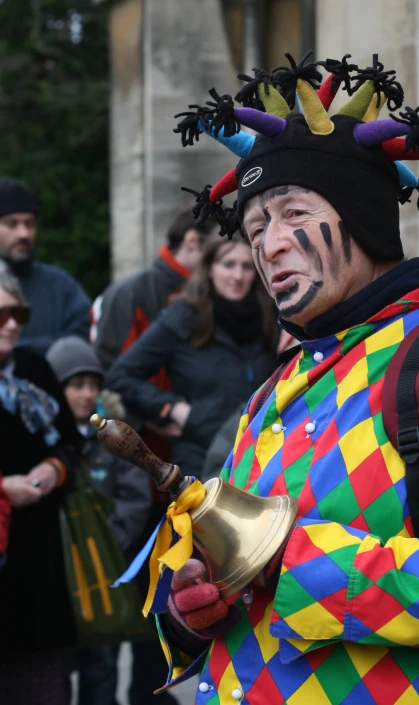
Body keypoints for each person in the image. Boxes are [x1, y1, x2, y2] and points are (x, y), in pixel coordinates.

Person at [144, 52, 419, 704]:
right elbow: (236, 583)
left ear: (363, 217)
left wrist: (295, 559)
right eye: (256, 226)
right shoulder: (273, 391)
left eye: (291, 213)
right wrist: (193, 608)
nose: (268, 244)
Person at [92, 209, 213, 704]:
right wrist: (160, 410)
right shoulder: (134, 292)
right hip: (136, 477)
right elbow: (108, 380)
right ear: (191, 242)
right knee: (140, 601)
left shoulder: (212, 299)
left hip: (187, 471)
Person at [105, 234, 279, 481]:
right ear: (209, 268)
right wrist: (171, 409)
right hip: (202, 457)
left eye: (247, 266)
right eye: (228, 264)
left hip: (262, 455)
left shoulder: (271, 314)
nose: (238, 276)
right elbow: (121, 375)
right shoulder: (184, 315)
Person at [46, 335, 152, 705]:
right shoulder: (45, 438)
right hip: (59, 578)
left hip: (105, 572)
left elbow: (137, 496)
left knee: (102, 666)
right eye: (76, 385)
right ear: (57, 388)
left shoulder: (114, 438)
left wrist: (107, 539)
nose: (86, 394)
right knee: (57, 670)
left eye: (92, 385)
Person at [0, 269, 82, 704]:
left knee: (43, 690)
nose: (12, 323)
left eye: (19, 313)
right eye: (2, 315)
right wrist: (1, 489)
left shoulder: (35, 367)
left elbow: (71, 446)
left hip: (39, 569)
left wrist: (55, 468)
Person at [92, 209, 213, 374]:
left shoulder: (206, 291)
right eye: (215, 249)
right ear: (192, 241)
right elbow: (112, 369)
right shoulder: (130, 293)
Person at [0, 177, 91, 354]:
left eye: (30, 224)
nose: (24, 233)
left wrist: (18, 350)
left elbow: (82, 338)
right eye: (12, 224)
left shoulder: (60, 286)